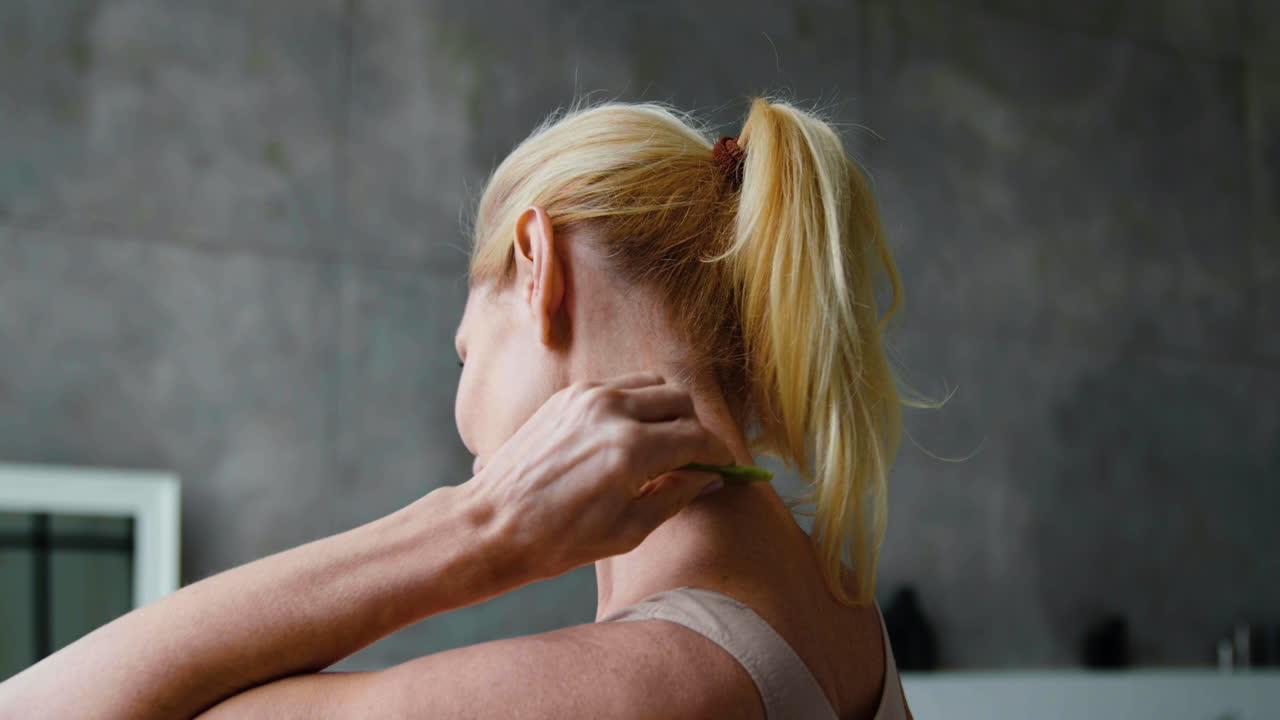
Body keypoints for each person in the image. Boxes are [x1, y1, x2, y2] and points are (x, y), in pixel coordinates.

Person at [0, 96, 917, 719]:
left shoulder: (648, 687)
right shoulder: (846, 614)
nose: (465, 425)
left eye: (465, 353)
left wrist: (477, 526)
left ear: (538, 267)